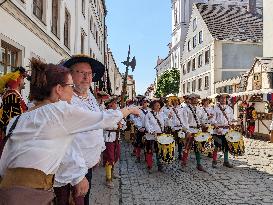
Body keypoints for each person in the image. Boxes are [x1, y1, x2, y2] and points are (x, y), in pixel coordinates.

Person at [0, 59, 139, 205]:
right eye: (71, 86)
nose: (72, 91)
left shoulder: (19, 119)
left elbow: (4, 163)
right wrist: (129, 110)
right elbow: (103, 119)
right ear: (59, 89)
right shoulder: (59, 111)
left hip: (9, 192)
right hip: (37, 192)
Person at [53, 55, 111, 205]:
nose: (87, 77)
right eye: (81, 73)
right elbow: (62, 140)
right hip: (70, 170)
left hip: (87, 165)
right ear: (70, 74)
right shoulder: (65, 99)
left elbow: (95, 126)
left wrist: (98, 151)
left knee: (85, 200)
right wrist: (77, 175)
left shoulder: (90, 96)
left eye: (90, 73)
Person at [0, 67, 28, 155]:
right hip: (11, 140)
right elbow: (12, 120)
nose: (24, 81)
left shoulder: (15, 95)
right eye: (23, 78)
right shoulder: (12, 95)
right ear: (18, 80)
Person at [180, 93, 208, 172]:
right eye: (193, 98)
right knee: (187, 147)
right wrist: (187, 131)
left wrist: (204, 124)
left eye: (196, 98)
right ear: (190, 99)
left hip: (198, 130)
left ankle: (199, 164)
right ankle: (184, 162)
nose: (195, 100)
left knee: (198, 148)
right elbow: (184, 121)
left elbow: (203, 118)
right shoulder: (186, 109)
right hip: (190, 130)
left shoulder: (200, 109)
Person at [103, 97, 126, 188]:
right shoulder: (105, 113)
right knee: (110, 157)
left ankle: (112, 172)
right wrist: (117, 125)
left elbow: (123, 124)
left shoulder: (118, 113)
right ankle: (108, 178)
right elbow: (106, 125)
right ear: (110, 104)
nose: (116, 104)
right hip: (109, 138)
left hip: (117, 137)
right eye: (114, 103)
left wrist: (121, 125)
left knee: (116, 156)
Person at [212, 93, 234, 168]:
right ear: (219, 99)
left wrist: (233, 123)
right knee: (217, 146)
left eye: (224, 98)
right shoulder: (215, 108)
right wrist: (217, 128)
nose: (223, 100)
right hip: (218, 130)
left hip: (226, 130)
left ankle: (226, 161)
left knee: (226, 146)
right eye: (222, 98)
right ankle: (214, 161)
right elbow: (213, 119)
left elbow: (231, 119)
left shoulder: (229, 108)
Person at [144, 99, 166, 173]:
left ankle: (159, 165)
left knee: (159, 151)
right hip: (151, 136)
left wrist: (169, 118)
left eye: (159, 105)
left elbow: (165, 123)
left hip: (160, 136)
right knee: (149, 151)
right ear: (153, 106)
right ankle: (149, 166)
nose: (158, 106)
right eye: (156, 105)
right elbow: (147, 124)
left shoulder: (162, 114)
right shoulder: (148, 114)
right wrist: (152, 131)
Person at [131, 98, 150, 163]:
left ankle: (146, 157)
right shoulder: (138, 111)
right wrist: (139, 127)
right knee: (138, 144)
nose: (145, 103)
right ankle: (138, 157)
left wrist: (149, 128)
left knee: (147, 144)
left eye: (146, 102)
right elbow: (135, 120)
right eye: (144, 102)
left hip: (148, 130)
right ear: (141, 103)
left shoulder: (150, 111)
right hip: (141, 130)